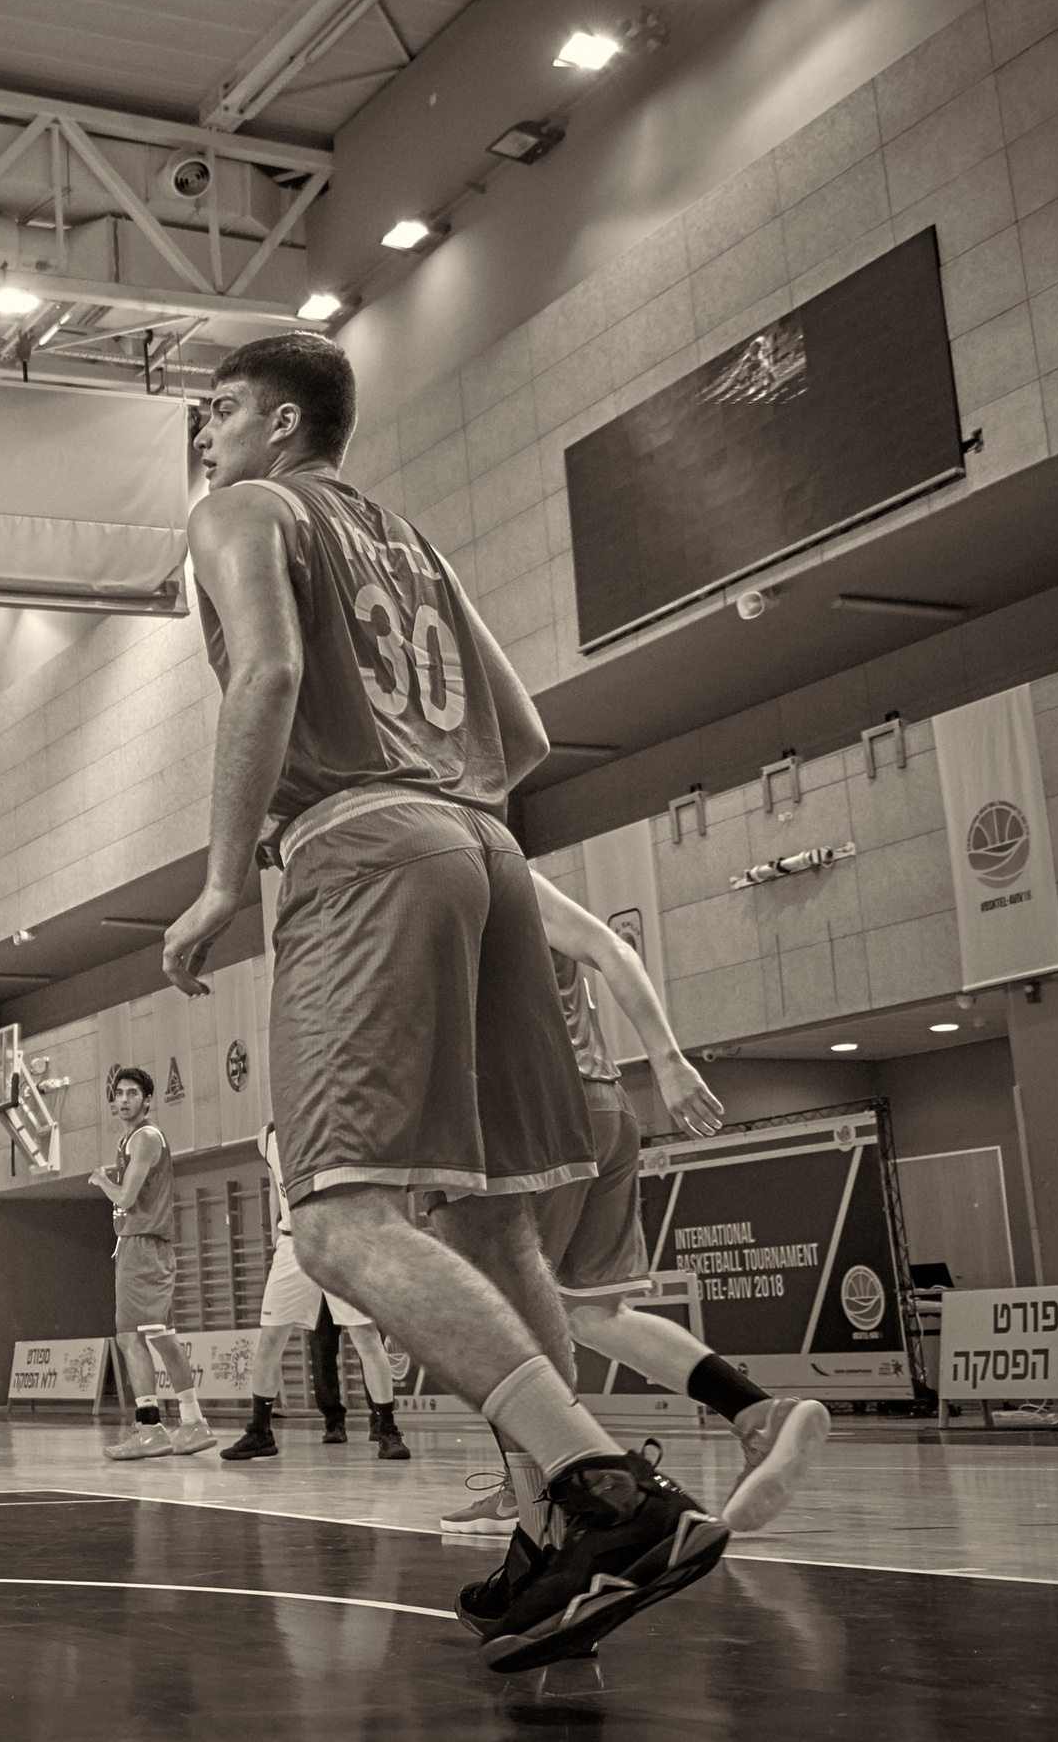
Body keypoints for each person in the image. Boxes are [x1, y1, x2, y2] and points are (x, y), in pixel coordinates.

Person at [162, 333, 725, 1672]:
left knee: (342, 1222)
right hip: (485, 845)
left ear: (285, 421)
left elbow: (272, 673)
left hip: (362, 848)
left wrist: (224, 874)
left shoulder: (243, 509)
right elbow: (522, 731)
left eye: (224, 408)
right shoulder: (412, 543)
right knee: (492, 1223)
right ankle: (552, 1535)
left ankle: (608, 1493)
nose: (207, 433)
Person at [447, 875, 828, 1563]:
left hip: (541, 1112)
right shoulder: (491, 873)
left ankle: (545, 1510)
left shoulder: (475, 869)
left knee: (501, 1320)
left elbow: (603, 947)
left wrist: (672, 1058)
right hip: (605, 1106)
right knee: (593, 1313)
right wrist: (665, 1059)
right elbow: (609, 948)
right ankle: (755, 1411)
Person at [222, 1120, 406, 1461]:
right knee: (271, 1340)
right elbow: (272, 1185)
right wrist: (276, 1231)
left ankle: (386, 1428)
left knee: (365, 1337)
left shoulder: (331, 1120)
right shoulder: (267, 1135)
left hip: (340, 1241)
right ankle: (260, 1431)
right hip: (293, 1245)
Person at [91, 1068, 215, 1459]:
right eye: (119, 1093)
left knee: (131, 1337)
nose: (124, 1099)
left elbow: (126, 1199)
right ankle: (192, 1422)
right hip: (142, 1247)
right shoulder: (132, 1139)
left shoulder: (144, 1137)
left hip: (143, 1246)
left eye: (132, 1093)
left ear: (147, 1100)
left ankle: (150, 1427)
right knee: (161, 1337)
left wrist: (101, 1181)